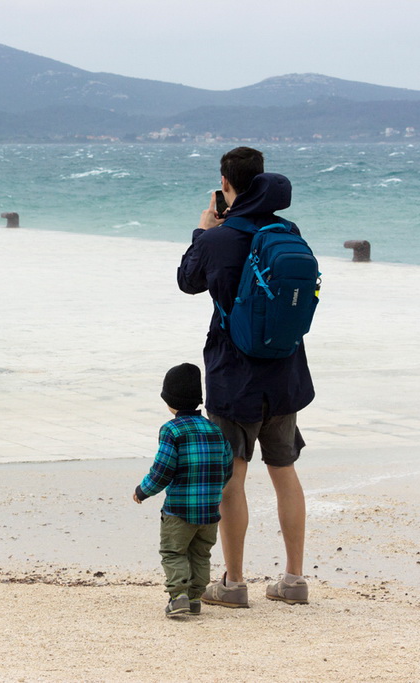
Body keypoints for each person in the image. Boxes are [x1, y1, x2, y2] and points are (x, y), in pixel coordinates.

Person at [176, 147, 314, 607]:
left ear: (225, 185)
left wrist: (203, 229)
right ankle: (294, 580)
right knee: (285, 471)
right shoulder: (285, 231)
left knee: (233, 478)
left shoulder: (219, 238)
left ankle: (233, 584)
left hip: (234, 375)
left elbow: (187, 281)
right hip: (285, 371)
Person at [132, 363, 234, 617]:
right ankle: (195, 598)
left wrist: (143, 491)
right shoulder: (215, 430)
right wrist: (213, 490)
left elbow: (162, 470)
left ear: (169, 401)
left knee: (173, 552)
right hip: (210, 511)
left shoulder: (171, 430)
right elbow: (227, 466)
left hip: (179, 510)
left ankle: (178, 597)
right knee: (200, 553)